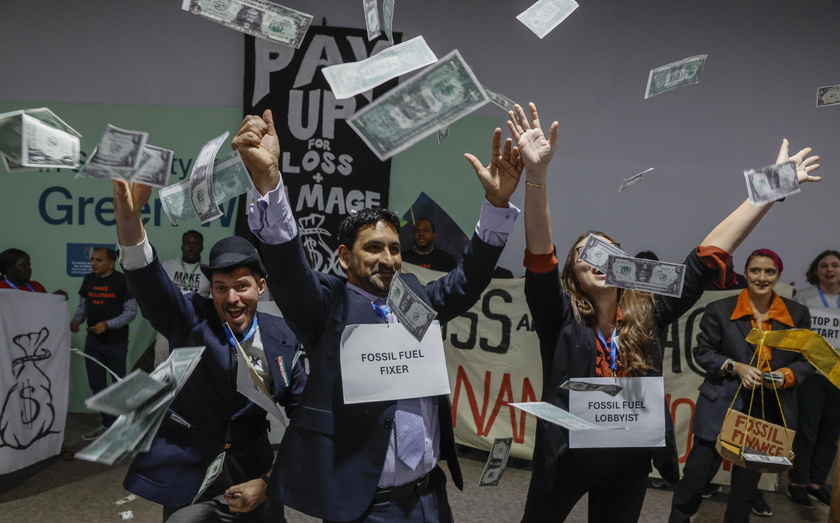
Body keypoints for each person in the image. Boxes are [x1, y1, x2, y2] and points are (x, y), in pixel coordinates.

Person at [511, 101, 821, 523]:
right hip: (566, 455)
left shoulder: (650, 312)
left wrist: (771, 187)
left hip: (629, 459)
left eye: (608, 252)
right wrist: (537, 176)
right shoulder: (561, 318)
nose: (599, 260)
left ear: (624, 266)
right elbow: (539, 255)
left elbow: (708, 255)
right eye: (587, 254)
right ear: (573, 273)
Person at [234, 108, 522, 522]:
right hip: (364, 506)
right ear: (345, 258)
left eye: (394, 248)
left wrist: (496, 205)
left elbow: (468, 280)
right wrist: (269, 182)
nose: (387, 259)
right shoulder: (326, 304)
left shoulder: (415, 297)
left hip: (429, 499)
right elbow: (290, 271)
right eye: (373, 249)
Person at [111, 179, 307, 522]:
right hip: (189, 475)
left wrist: (268, 481)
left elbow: (306, 416)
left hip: (253, 475)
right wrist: (130, 221)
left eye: (242, 287)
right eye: (221, 288)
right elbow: (149, 283)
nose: (232, 299)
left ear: (260, 287)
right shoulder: (190, 320)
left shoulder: (283, 336)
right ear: (210, 289)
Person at [670, 250, 814, 522]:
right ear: (745, 273)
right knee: (695, 479)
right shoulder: (720, 309)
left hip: (766, 412)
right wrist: (735, 366)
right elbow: (703, 352)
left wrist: (787, 375)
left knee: (745, 489)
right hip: (720, 406)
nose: (762, 277)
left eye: (769, 272)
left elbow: (806, 359)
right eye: (755, 271)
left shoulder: (797, 313)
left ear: (778, 275)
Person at [0, 247, 74, 460]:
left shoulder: (37, 287)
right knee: (11, 403)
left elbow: (45, 318)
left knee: (47, 397)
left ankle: (55, 444)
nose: (29, 270)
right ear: (7, 268)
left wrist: (56, 301)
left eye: (29, 265)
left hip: (39, 359)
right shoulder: (2, 289)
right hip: (10, 359)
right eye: (23, 266)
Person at [786, 249, 840, 508]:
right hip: (812, 373)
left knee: (831, 433)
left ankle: (817, 483)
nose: (830, 270)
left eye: (835, 265)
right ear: (816, 271)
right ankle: (797, 482)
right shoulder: (804, 298)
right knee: (807, 431)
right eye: (824, 266)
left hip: (839, 377)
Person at [70, 247, 137, 439]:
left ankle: (123, 426)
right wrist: (77, 321)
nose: (93, 263)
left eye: (98, 260)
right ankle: (108, 425)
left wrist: (108, 325)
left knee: (118, 386)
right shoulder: (89, 280)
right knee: (97, 385)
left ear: (111, 262)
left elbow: (131, 312)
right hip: (93, 342)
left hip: (116, 343)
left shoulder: (122, 281)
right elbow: (83, 306)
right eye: (92, 259)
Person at [153, 229, 211, 367]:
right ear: (182, 246)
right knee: (161, 363)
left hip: (195, 326)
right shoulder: (168, 266)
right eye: (187, 243)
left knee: (191, 366)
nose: (191, 246)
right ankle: (161, 389)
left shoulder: (208, 270)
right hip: (169, 324)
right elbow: (157, 292)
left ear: (202, 247)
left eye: (195, 244)